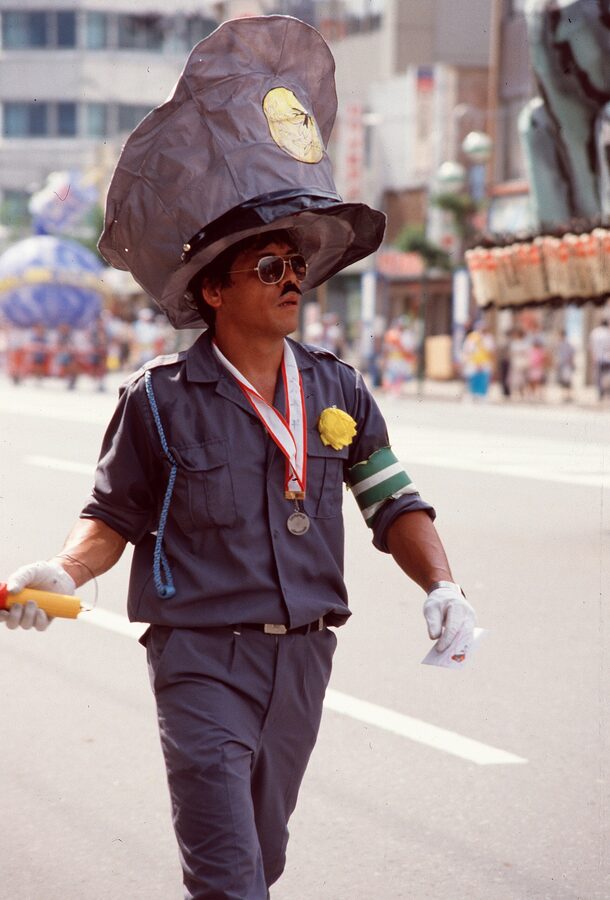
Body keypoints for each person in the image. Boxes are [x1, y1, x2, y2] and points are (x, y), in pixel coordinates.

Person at [0, 17, 476, 900]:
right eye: (269, 265)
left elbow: (393, 499)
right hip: (199, 660)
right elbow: (112, 518)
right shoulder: (158, 399)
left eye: (297, 263)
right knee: (229, 879)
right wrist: (64, 570)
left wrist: (441, 584)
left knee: (264, 857)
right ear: (213, 289)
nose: (292, 278)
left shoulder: (338, 391)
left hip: (303, 661)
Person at [461, 324, 495, 401]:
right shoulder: (472, 337)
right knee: (472, 378)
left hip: (485, 361)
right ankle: (470, 394)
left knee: (484, 378)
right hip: (473, 361)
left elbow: (491, 350)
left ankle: (482, 395)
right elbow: (467, 350)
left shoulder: (489, 338)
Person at [588, 317, 610, 400]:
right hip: (607, 358)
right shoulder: (608, 333)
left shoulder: (595, 333)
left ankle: (600, 393)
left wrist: (593, 356)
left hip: (597, 357)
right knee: (607, 375)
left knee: (599, 376)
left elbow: (591, 346)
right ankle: (607, 391)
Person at [554, 329, 575, 402]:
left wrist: (571, 363)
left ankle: (569, 395)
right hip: (561, 364)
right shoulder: (558, 344)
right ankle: (564, 395)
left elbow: (571, 354)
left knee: (568, 380)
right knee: (562, 380)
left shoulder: (567, 344)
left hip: (566, 364)